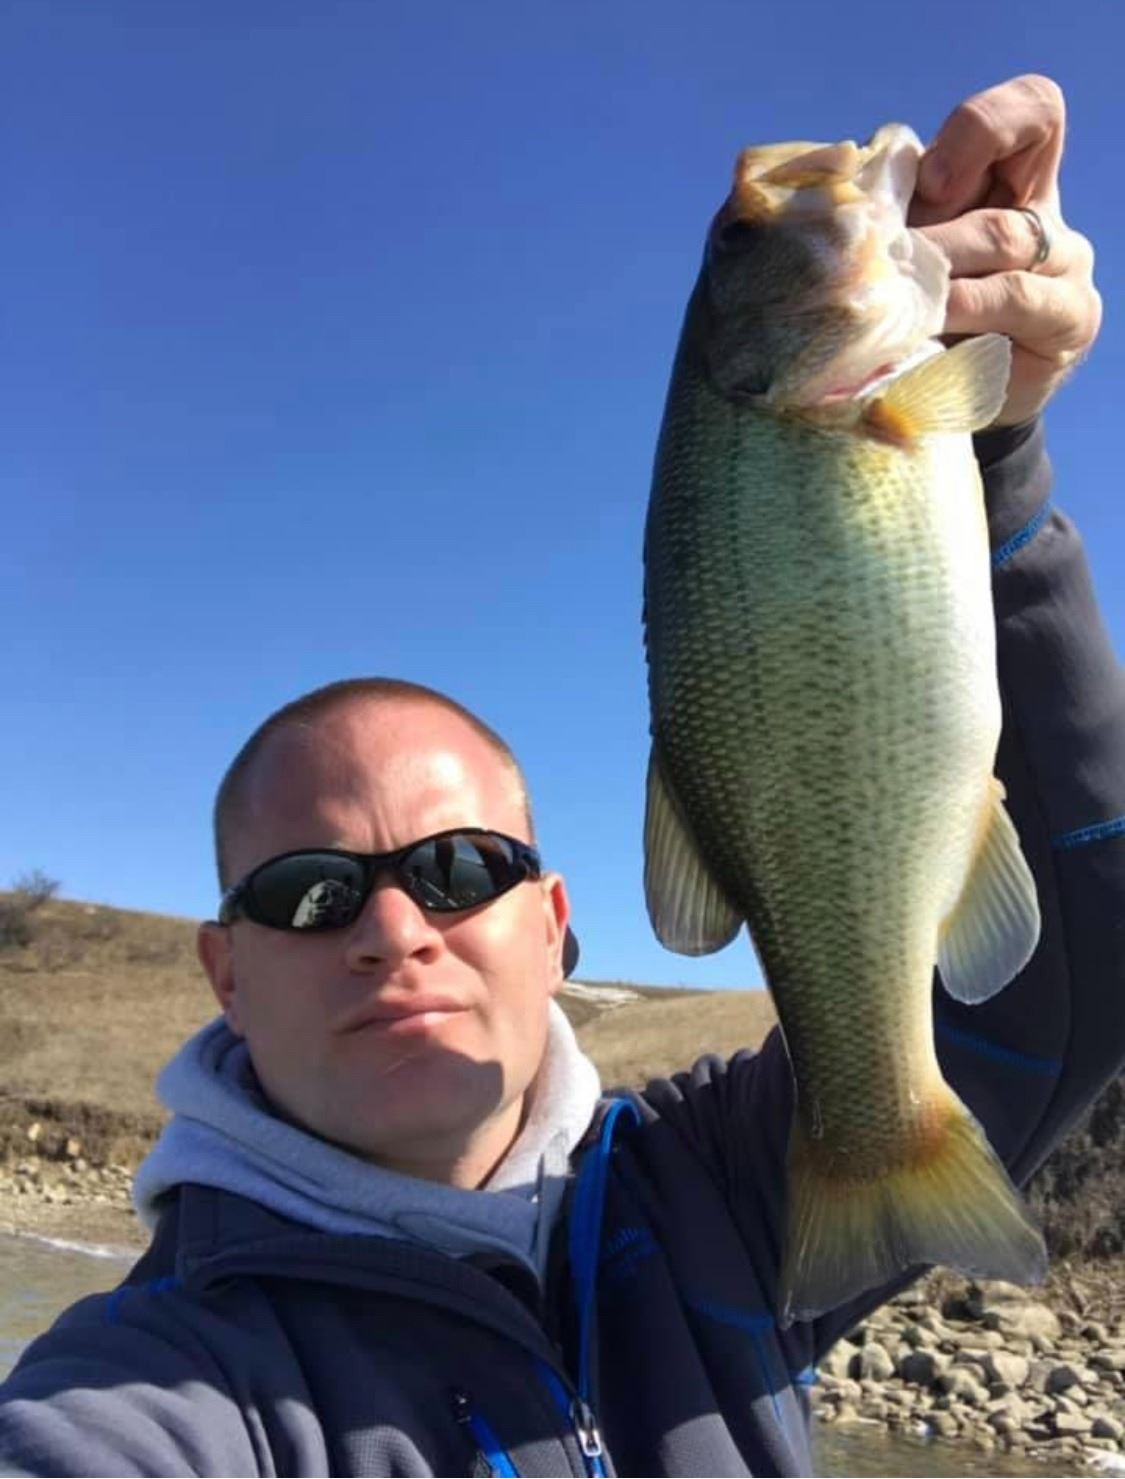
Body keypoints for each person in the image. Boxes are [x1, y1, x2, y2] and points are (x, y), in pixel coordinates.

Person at [0, 74, 1117, 1477]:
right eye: (308, 893)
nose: (392, 931)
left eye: (460, 870)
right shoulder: (151, 1392)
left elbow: (1077, 975)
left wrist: (999, 454)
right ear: (222, 971)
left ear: (554, 926)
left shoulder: (718, 1191)